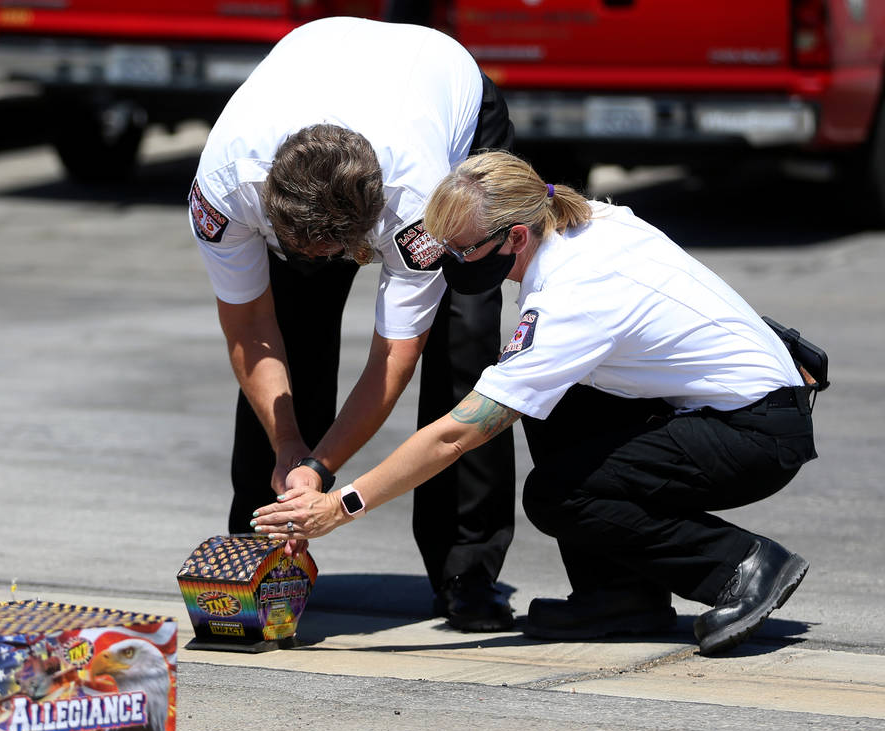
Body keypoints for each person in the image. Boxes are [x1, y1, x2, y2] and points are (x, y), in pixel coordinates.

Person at [248, 150, 819, 656]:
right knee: (550, 398)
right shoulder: (588, 222)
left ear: (515, 239)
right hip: (747, 403)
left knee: (560, 495)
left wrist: (341, 505)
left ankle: (742, 568)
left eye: (462, 251)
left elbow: (457, 434)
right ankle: (617, 597)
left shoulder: (573, 297)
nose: (449, 264)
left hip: (753, 436)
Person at [189, 17, 517, 631]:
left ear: (368, 228)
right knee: (294, 328)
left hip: (448, 95)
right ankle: (260, 553)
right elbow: (250, 328)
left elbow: (394, 358)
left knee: (463, 345)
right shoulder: (224, 188)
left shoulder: (417, 201)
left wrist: (322, 467)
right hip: (317, 78)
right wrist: (289, 445)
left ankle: (466, 570)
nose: (329, 264)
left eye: (339, 252)